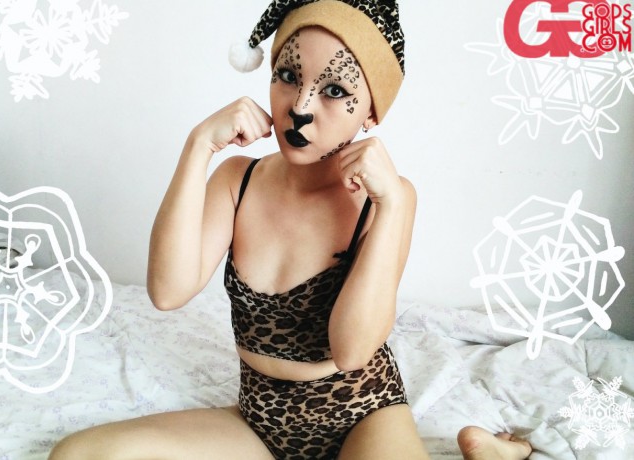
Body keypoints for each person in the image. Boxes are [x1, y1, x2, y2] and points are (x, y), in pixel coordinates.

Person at [49, 1, 533, 458]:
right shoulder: (238, 180)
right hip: (259, 419)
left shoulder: (387, 199)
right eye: (287, 76)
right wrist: (198, 147)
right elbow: (168, 291)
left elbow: (352, 350)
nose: (300, 107)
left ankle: (499, 451)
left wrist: (390, 206)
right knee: (76, 454)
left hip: (362, 415)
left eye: (335, 90)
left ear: (372, 112)